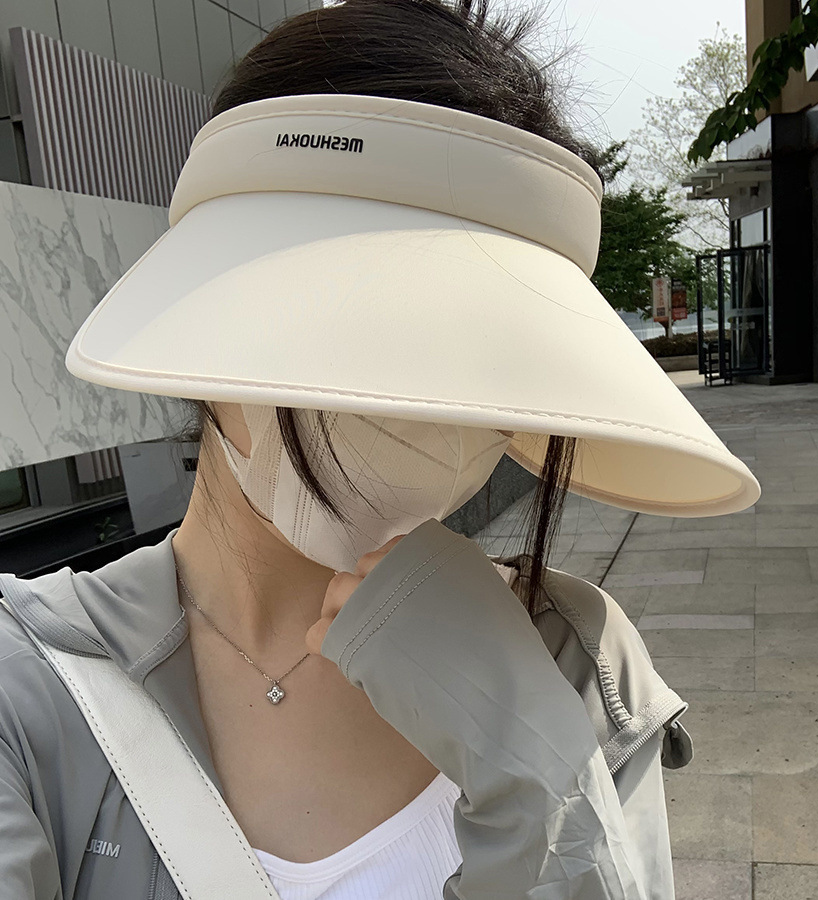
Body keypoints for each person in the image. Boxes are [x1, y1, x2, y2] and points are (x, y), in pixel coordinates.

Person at [0, 2, 760, 898]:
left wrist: (532, 763)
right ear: (216, 316)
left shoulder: (574, 657)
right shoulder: (31, 686)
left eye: (496, 358)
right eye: (374, 330)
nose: (437, 411)